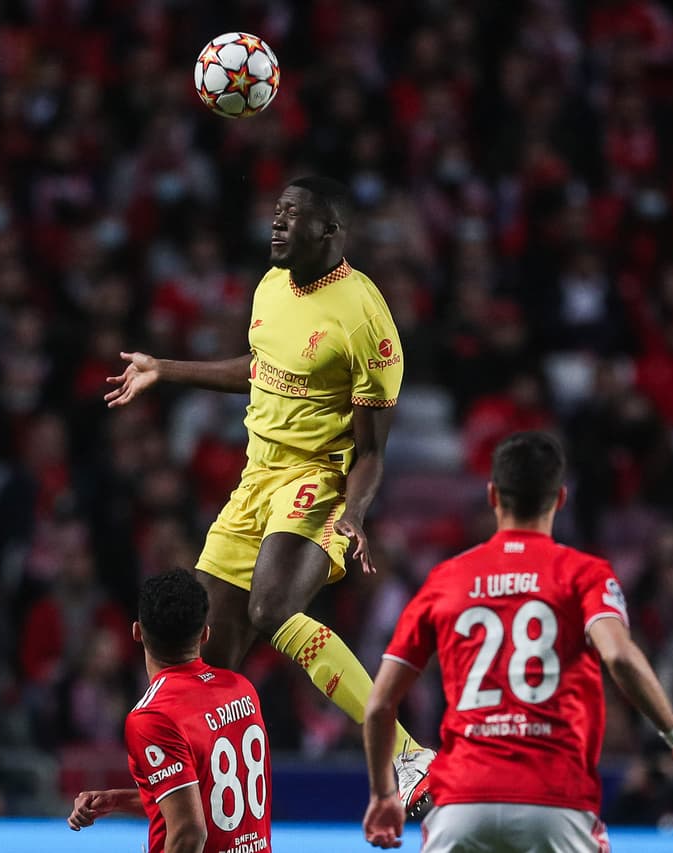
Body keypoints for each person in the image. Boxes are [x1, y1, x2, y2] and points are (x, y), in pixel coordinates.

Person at [106, 176, 434, 812]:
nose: (277, 224)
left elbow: (371, 452)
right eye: (275, 213)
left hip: (317, 477)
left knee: (273, 609)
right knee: (203, 659)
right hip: (254, 479)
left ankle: (407, 753)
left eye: (293, 215)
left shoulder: (366, 320)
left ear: (330, 233)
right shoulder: (270, 286)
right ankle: (191, 810)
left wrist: (356, 514)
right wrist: (164, 369)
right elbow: (259, 371)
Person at [362, 432, 673, 851]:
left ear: (493, 495)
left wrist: (384, 794)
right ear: (561, 498)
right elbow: (620, 655)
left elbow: (380, 704)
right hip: (555, 799)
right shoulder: (584, 574)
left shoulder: (446, 579)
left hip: (461, 804)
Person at [67, 569, 271, 853]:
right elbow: (206, 797)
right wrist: (116, 800)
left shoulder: (153, 717)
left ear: (137, 632)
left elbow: (189, 833)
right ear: (205, 634)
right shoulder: (241, 689)